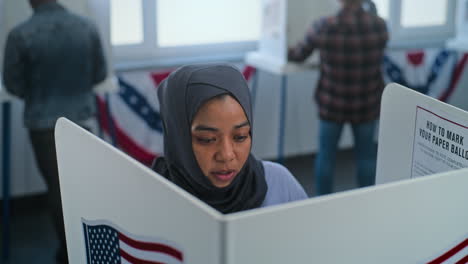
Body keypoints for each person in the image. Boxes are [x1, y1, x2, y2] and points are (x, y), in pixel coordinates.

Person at [2, 0, 107, 262]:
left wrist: (38, 94)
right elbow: (99, 74)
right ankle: (88, 249)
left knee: (58, 191)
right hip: (83, 121)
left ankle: (69, 252)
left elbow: (12, 84)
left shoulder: (20, 34)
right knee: (84, 187)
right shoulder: (86, 27)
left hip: (43, 124)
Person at [151, 64, 307, 213]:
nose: (226, 155)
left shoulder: (279, 183)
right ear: (178, 138)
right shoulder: (150, 198)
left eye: (240, 137)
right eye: (207, 139)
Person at [288, 0, 388, 195]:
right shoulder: (379, 25)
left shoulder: (323, 25)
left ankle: (323, 204)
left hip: (332, 104)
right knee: (366, 157)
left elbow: (298, 54)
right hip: (367, 103)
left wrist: (277, 44)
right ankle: (367, 201)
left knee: (326, 156)